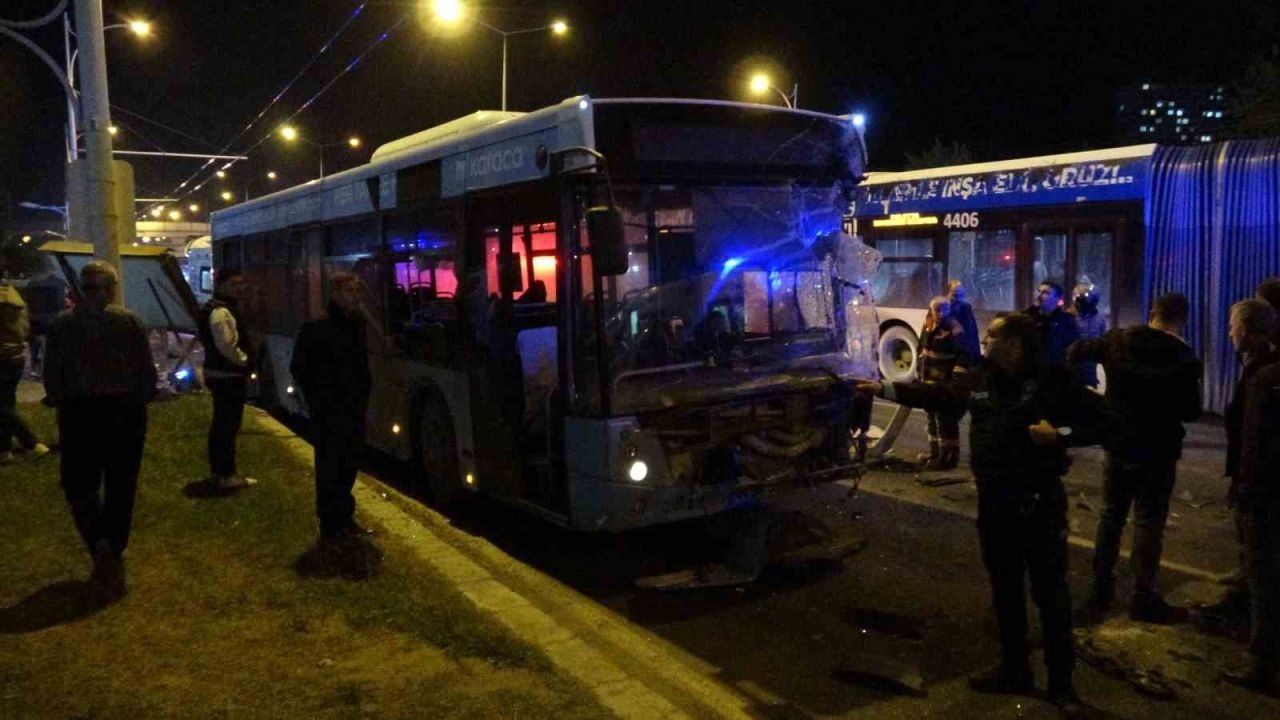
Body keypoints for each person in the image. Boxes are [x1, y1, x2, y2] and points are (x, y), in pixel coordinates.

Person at [857, 313, 1099, 711]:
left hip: (1038, 503)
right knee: (1005, 589)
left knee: (1051, 595)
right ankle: (1014, 670)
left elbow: (1101, 423)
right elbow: (938, 396)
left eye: (993, 335)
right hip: (996, 503)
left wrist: (1060, 435)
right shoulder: (982, 378)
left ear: (1015, 344)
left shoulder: (1052, 379)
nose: (984, 340)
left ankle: (1062, 686)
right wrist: (882, 388)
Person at [1069, 293, 1202, 624]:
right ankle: (1144, 597)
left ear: (1152, 313)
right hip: (1158, 450)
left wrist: (1095, 402)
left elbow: (1075, 352)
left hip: (1118, 443)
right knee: (1148, 523)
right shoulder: (1184, 356)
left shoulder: (1117, 341)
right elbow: (1191, 411)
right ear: (1181, 319)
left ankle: (1101, 590)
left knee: (1111, 517)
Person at [43, 261, 157, 601]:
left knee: (80, 483)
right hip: (124, 412)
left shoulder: (63, 324)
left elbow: (52, 374)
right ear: (113, 289)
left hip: (79, 414)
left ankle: (99, 543)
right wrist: (141, 399)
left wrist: (60, 402)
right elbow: (145, 371)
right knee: (121, 482)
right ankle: (113, 545)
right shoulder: (129, 322)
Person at [290, 272, 374, 544]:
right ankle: (330, 523)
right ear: (335, 294)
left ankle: (344, 517)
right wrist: (319, 399)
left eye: (357, 291)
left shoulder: (356, 325)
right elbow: (299, 368)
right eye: (350, 291)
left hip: (353, 409)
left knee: (349, 465)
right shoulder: (317, 328)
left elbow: (360, 367)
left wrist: (362, 398)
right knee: (330, 466)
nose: (356, 297)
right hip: (329, 412)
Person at [1216, 299, 1280, 623]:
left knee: (1262, 560)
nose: (1229, 333)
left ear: (1242, 329)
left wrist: (1245, 485)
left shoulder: (1263, 374)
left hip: (1260, 481)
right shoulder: (1259, 363)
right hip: (1257, 474)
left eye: (1231, 327)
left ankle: (1258, 638)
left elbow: (1255, 437)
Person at [1224, 330, 1280, 696]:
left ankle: (1262, 664)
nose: (1231, 333)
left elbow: (1254, 444)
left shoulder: (1266, 379)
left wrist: (1243, 492)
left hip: (1266, 495)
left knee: (1266, 578)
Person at [198, 271, 256, 491]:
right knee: (228, 427)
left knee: (222, 425)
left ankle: (219, 473)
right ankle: (227, 475)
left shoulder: (216, 308)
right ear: (220, 285)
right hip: (227, 376)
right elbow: (226, 345)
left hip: (220, 374)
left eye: (241, 284)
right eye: (234, 284)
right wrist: (244, 361)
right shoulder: (221, 311)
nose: (239, 288)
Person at [916, 295, 971, 470]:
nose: (940, 313)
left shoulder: (954, 329)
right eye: (937, 310)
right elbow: (921, 349)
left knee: (946, 421)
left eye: (944, 310)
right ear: (931, 310)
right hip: (928, 381)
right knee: (931, 418)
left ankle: (948, 458)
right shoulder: (928, 324)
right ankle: (935, 453)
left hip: (944, 383)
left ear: (949, 310)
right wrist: (918, 372)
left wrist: (956, 381)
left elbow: (963, 356)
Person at [1, 279, 50, 463]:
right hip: (16, 357)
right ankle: (4, 450)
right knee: (6, 404)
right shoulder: (13, 297)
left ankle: (32, 443)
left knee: (3, 408)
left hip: (2, 357)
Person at [1025, 281, 1079, 366]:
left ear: (1057, 298)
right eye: (1038, 291)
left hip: (1057, 371)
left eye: (1045, 292)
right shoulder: (1026, 319)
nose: (1039, 295)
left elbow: (1073, 350)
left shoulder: (1067, 321)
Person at [1069, 284, 1108, 388]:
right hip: (1073, 363)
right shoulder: (1070, 317)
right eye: (1078, 301)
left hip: (1090, 364)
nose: (1079, 304)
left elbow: (1101, 340)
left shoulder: (1100, 319)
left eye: (1082, 301)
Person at [947, 279, 981, 360]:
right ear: (949, 292)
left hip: (961, 350)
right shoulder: (940, 306)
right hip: (949, 349)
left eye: (961, 295)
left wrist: (975, 353)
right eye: (955, 295)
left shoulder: (965, 306)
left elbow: (972, 331)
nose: (959, 298)